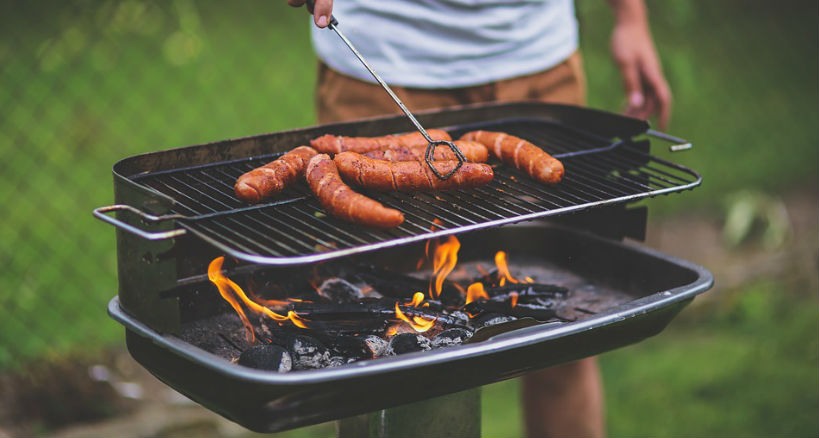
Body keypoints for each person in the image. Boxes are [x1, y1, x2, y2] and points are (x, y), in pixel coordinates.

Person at [288, 1, 671, 436]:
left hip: (537, 60)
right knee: (387, 344)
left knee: (564, 333)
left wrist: (631, 19)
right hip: (380, 56)